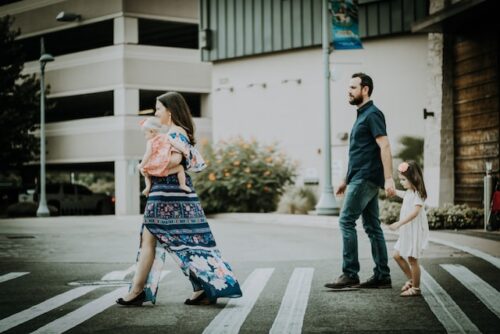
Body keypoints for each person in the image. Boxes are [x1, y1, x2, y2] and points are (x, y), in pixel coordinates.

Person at [116, 91, 242, 306]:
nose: (156, 113)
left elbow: (176, 161)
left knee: (153, 240)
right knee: (189, 241)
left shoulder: (174, 134)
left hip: (167, 194)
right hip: (173, 194)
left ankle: (138, 291)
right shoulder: (176, 133)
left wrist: (150, 167)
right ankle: (205, 287)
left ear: (170, 112)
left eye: (158, 109)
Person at [325, 72, 395, 290]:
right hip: (360, 177)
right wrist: (345, 179)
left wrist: (390, 178)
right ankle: (382, 275)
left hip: (366, 178)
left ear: (365, 90)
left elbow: (384, 146)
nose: (349, 91)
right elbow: (360, 153)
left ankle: (350, 273)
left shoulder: (373, 114)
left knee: (346, 221)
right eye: (349, 87)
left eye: (353, 87)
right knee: (373, 226)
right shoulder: (362, 116)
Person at [389, 161, 429, 297]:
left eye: (404, 179)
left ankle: (416, 288)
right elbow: (403, 195)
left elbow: (415, 213)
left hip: (414, 231)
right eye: (400, 179)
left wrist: (399, 223)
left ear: (414, 178)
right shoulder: (409, 192)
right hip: (407, 231)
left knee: (413, 260)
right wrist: (394, 191)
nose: (401, 182)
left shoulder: (418, 194)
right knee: (396, 255)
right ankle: (412, 280)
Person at [137, 117, 191, 196]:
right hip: (166, 163)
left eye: (145, 134)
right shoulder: (166, 136)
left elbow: (147, 154)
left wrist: (141, 165)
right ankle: (183, 185)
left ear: (152, 131)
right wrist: (184, 150)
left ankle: (148, 187)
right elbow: (175, 143)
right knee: (180, 168)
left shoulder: (150, 142)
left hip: (154, 166)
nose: (145, 136)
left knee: (145, 173)